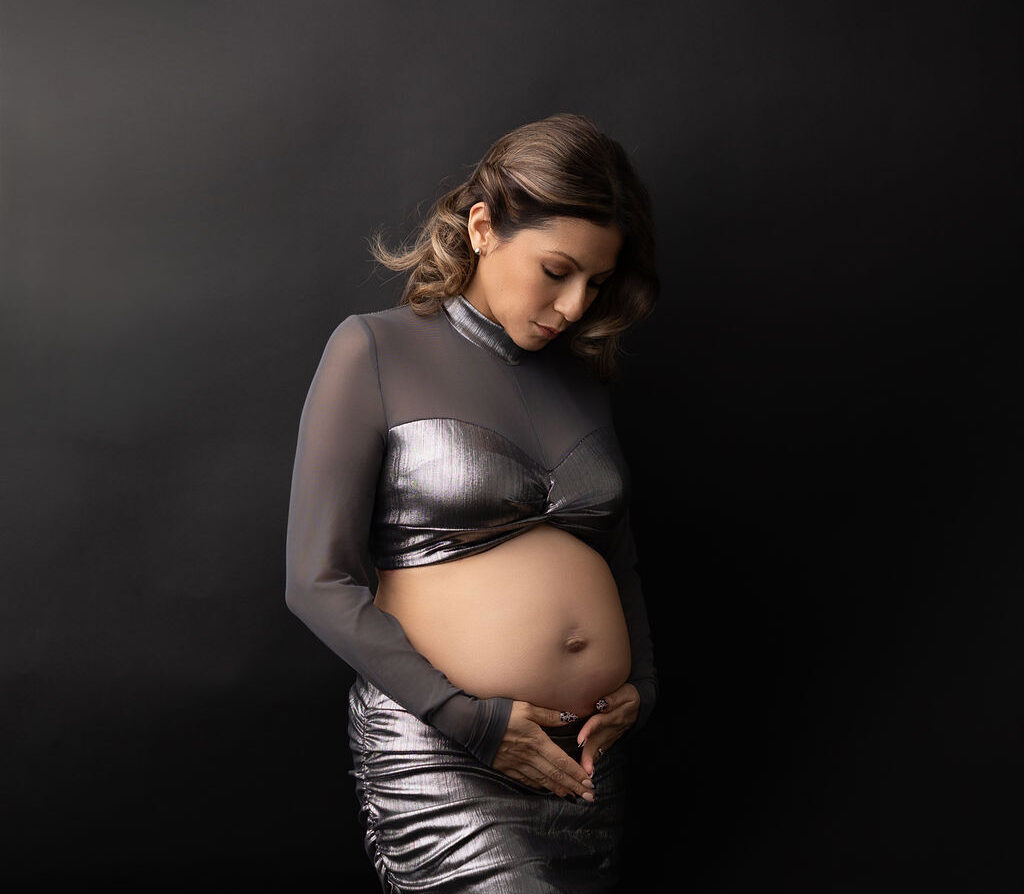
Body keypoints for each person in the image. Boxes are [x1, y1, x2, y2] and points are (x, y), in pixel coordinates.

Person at [284, 112, 659, 893]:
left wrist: (640, 687)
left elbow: (615, 558)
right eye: (557, 271)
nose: (575, 305)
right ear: (484, 227)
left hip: (583, 763)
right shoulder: (375, 348)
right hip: (445, 751)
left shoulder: (582, 381)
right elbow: (317, 583)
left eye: (596, 282)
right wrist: (472, 721)